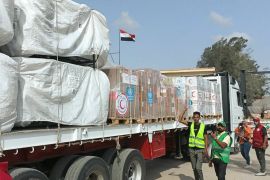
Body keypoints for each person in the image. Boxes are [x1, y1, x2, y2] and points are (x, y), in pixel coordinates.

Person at [180, 111, 208, 180]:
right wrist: (184, 111)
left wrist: (206, 149)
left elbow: (206, 138)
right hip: (191, 149)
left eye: (197, 117)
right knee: (194, 168)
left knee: (198, 168)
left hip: (200, 149)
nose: (196, 119)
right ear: (192, 118)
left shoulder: (203, 126)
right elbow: (180, 120)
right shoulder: (190, 125)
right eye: (194, 117)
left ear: (199, 118)